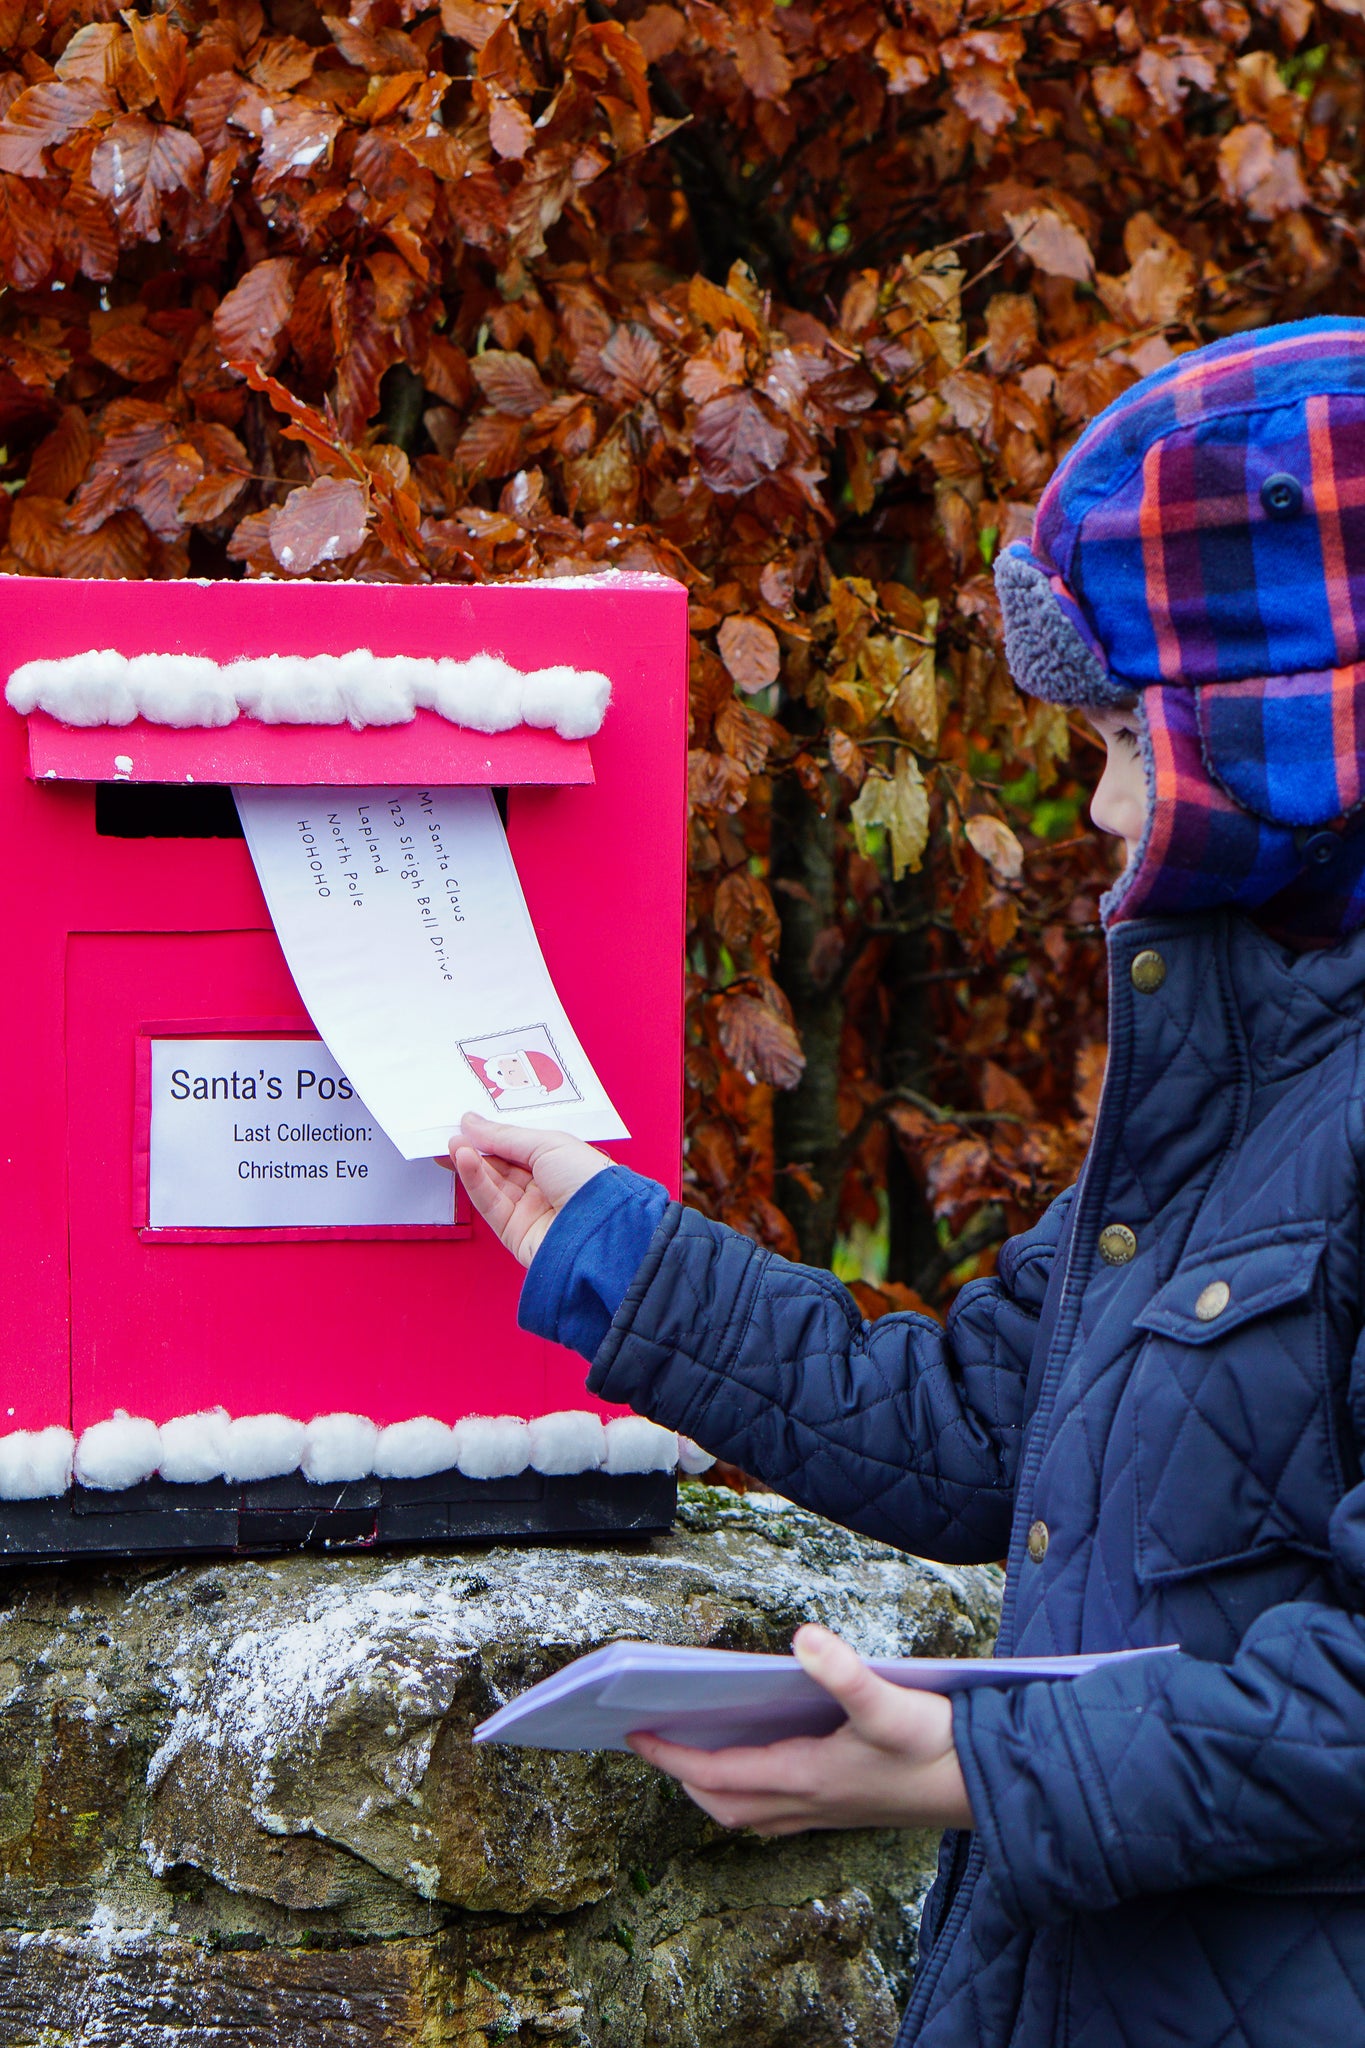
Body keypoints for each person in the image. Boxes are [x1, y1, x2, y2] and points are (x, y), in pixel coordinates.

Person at [452, 318, 1365, 2046]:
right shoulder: (1230, 1078)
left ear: (1292, 733)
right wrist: (608, 1249)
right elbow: (969, 1423)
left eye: (1122, 740)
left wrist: (968, 1766)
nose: (1099, 809)